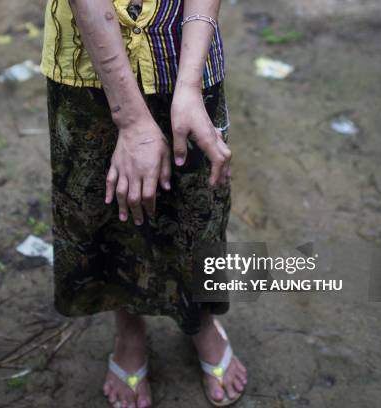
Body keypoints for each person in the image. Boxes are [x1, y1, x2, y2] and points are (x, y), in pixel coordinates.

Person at [40, 0, 247, 406]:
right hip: (90, 61)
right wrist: (131, 119)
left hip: (188, 47)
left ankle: (200, 320)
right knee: (115, 208)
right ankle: (129, 328)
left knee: (199, 205)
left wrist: (188, 85)